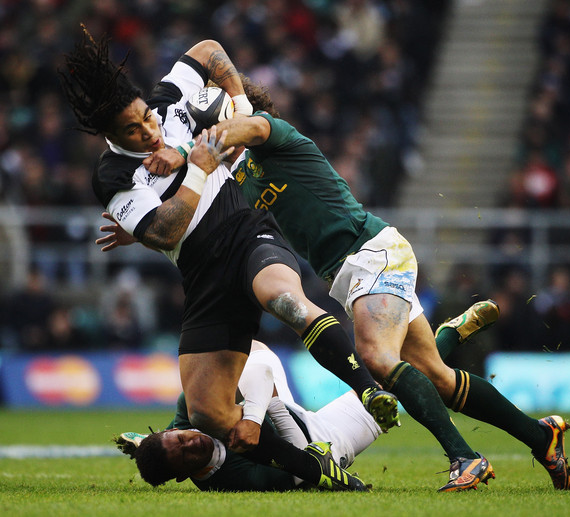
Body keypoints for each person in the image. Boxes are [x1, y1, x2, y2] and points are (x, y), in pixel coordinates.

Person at [111, 75, 570, 491]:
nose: (209, 133)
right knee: (437, 378)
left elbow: (246, 129)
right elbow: (201, 220)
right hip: (349, 273)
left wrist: (197, 142)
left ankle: (464, 458)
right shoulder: (236, 181)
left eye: (217, 122)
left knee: (376, 358)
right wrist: (142, 226)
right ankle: (541, 438)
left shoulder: (273, 133)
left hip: (371, 252)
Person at [59, 28, 398, 491]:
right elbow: (165, 231)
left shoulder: (167, 102)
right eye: (132, 131)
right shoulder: (113, 175)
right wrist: (197, 168)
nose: (149, 131)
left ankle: (369, 390)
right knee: (209, 414)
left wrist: (239, 103)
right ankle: (323, 475)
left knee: (284, 300)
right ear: (110, 137)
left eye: (146, 118)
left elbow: (208, 50)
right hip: (203, 277)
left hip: (247, 232)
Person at [116, 341, 382, 491]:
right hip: (312, 440)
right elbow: (300, 470)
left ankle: (150, 439)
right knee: (383, 388)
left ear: (174, 430)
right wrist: (272, 404)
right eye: (186, 457)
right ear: (183, 476)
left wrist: (258, 413)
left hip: (276, 404)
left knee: (246, 348)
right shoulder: (232, 480)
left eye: (182, 439)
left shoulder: (189, 410)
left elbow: (256, 374)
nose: (193, 443)